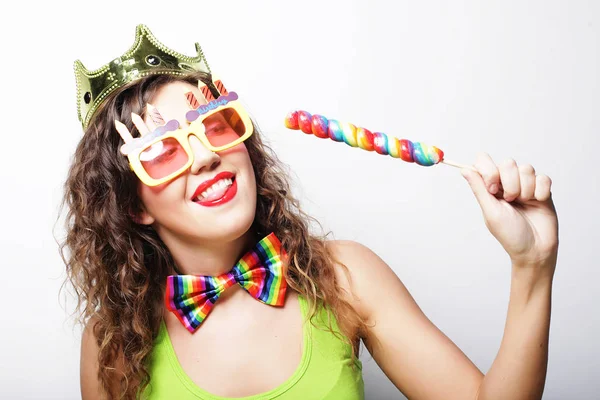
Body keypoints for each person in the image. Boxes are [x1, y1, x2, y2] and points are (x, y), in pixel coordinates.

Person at [62, 25, 559, 400]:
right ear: (132, 204)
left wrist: (532, 266)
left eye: (214, 126)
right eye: (165, 150)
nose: (206, 155)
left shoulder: (346, 277)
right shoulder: (113, 341)